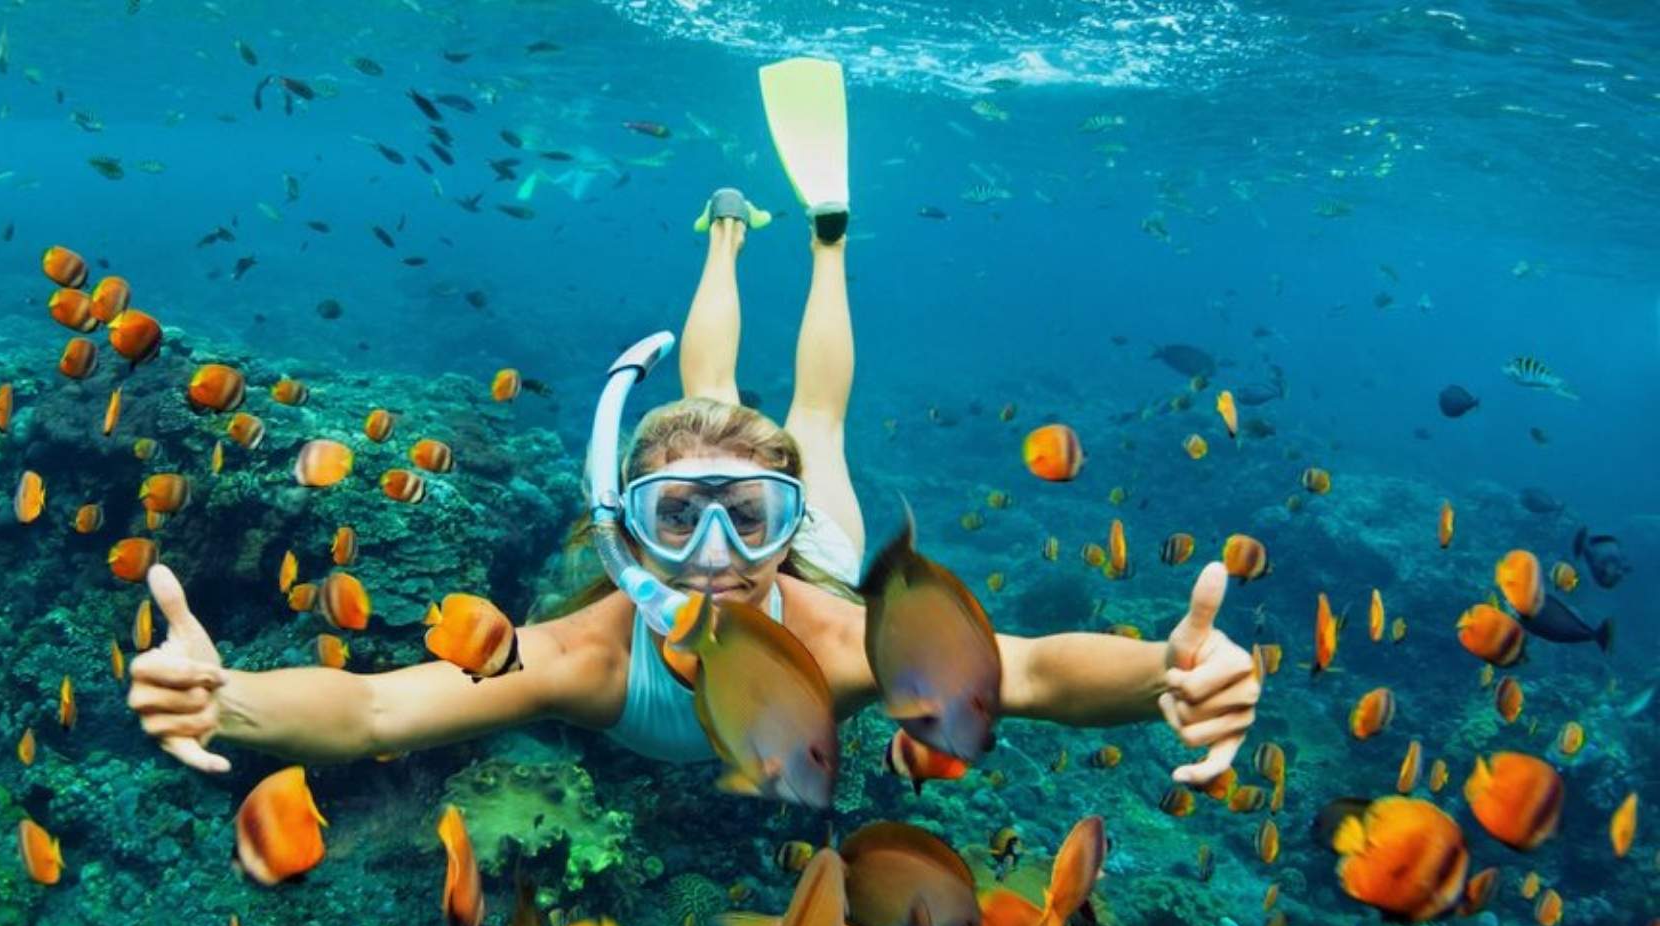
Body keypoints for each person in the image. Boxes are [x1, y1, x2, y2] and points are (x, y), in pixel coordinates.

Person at [127, 61, 1260, 785]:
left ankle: (824, 242)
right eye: (679, 515)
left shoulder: (841, 637)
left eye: (747, 513)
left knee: (814, 416)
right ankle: (724, 238)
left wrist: (1168, 673)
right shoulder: (587, 657)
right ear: (628, 528)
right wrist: (230, 701)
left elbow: (1033, 674)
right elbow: (378, 709)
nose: (716, 551)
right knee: (715, 391)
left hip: (822, 565)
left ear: (785, 520)